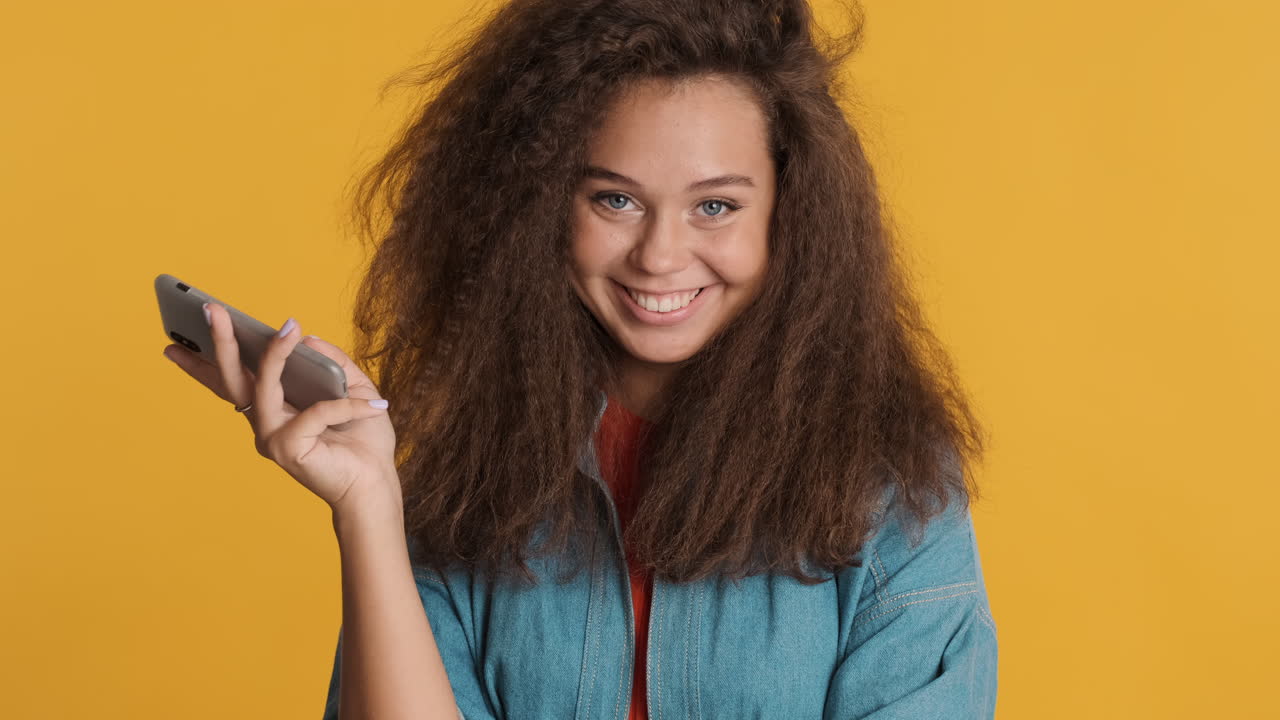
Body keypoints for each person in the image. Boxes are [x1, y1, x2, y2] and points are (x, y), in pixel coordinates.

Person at [162, 0, 998, 717]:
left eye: (715, 206)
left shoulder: (891, 488)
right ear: (535, 203)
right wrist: (367, 505)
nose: (661, 256)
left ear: (793, 214)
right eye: (616, 199)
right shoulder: (467, 468)